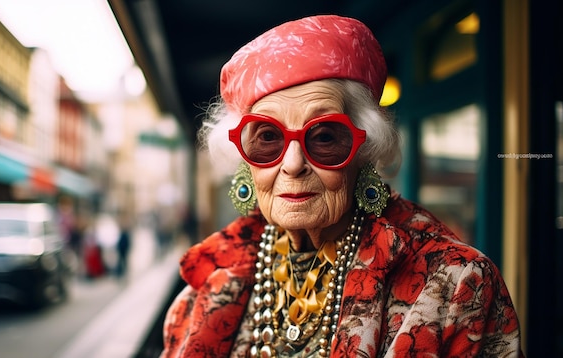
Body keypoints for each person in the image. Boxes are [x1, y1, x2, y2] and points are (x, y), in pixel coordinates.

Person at [160, 15, 524, 357]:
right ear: (245, 159)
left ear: (363, 151)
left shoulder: (457, 287)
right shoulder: (204, 286)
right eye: (268, 137)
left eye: (323, 137)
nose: (292, 164)